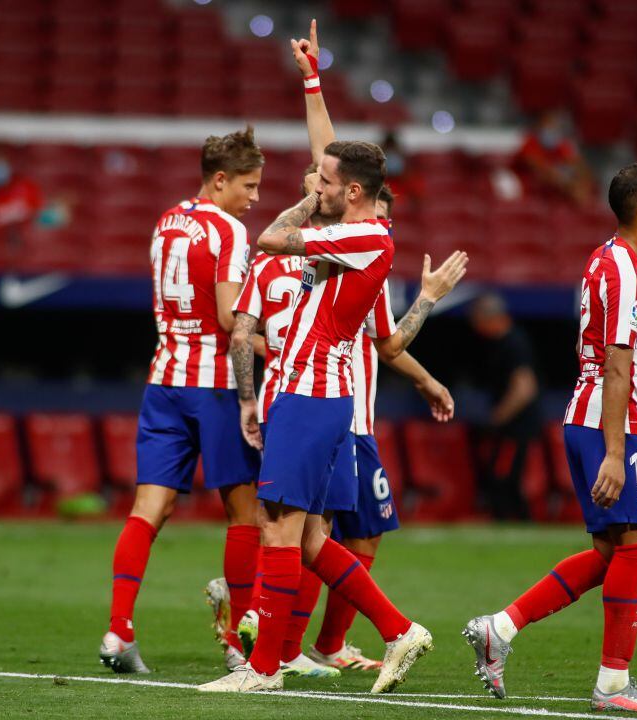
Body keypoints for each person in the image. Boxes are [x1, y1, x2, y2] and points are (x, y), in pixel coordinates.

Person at [209, 23, 457, 680]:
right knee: (312, 536)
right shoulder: (353, 234)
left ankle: (264, 667)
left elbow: (269, 237)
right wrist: (313, 82)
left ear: (349, 193)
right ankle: (396, 631)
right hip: (308, 396)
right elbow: (331, 156)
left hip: (314, 397)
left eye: (322, 181)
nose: (312, 182)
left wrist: (306, 200)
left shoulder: (365, 241)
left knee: (284, 531)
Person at [464, 163, 637, 714]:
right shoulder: (627, 272)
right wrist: (615, 450)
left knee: (611, 552)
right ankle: (612, 685)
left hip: (589, 418)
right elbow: (616, 364)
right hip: (612, 424)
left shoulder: (605, 260)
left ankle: (500, 628)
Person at [98, 126, 264, 674]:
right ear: (220, 180)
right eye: (248, 185)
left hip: (164, 378)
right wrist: (284, 342)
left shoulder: (167, 220)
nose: (254, 197)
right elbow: (227, 319)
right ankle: (242, 648)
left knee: (150, 508)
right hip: (214, 385)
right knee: (245, 511)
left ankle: (119, 630)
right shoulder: (230, 231)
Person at [468, 293, 541, 521]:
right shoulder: (500, 343)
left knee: (503, 477)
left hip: (515, 429)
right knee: (503, 477)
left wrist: (498, 417)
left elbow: (525, 387)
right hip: (511, 428)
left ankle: (518, 523)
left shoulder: (514, 342)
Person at [515, 109, 594, 207]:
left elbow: (579, 166)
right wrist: (568, 182)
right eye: (549, 125)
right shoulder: (530, 143)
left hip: (560, 190)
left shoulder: (561, 144)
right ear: (539, 126)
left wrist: (582, 181)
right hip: (530, 192)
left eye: (555, 126)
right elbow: (540, 169)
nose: (552, 129)